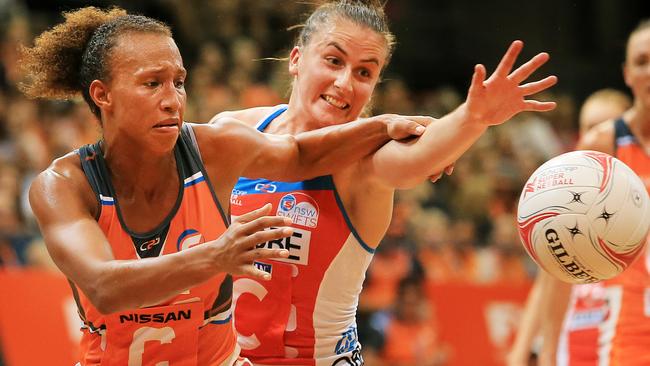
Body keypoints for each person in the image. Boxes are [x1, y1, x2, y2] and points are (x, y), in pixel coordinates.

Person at [20, 6, 431, 366]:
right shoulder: (64, 186)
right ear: (102, 95)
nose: (172, 100)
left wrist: (383, 125)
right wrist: (217, 256)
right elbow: (105, 288)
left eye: (178, 82)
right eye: (152, 84)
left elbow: (301, 155)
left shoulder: (214, 148)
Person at [213, 1, 558, 364]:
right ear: (296, 59)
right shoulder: (238, 129)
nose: (345, 82)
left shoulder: (365, 161)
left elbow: (415, 159)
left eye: (364, 72)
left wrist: (474, 117)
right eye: (333, 61)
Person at [507, 19, 650, 366]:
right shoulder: (604, 143)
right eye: (642, 61)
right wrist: (547, 351)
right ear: (627, 73)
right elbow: (557, 263)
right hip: (629, 328)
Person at [506, 88, 631, 366]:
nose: (597, 136)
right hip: (571, 348)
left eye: (607, 127)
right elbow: (545, 285)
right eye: (589, 127)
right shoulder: (565, 207)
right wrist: (519, 353)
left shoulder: (638, 201)